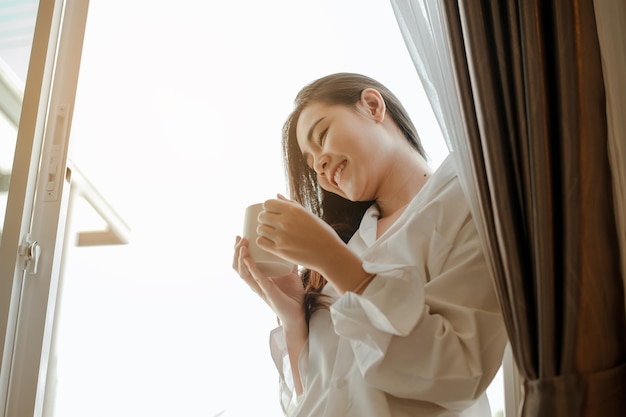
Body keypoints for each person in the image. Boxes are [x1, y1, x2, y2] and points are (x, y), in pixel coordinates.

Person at [232, 73, 507, 417]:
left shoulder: (466, 198)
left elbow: (459, 373)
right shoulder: (349, 248)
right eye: (311, 162)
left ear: (373, 106)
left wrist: (334, 261)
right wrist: (292, 318)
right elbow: (319, 398)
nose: (319, 163)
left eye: (322, 135)